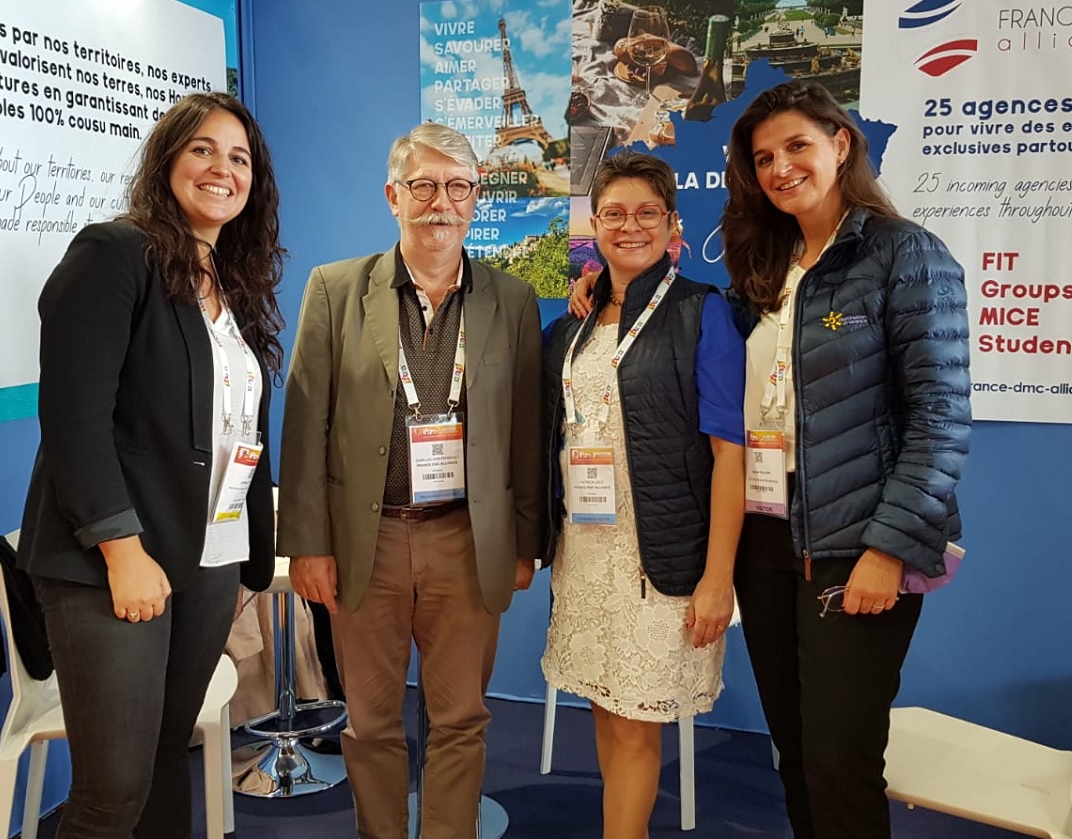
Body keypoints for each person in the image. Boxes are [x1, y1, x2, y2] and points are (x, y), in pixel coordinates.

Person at [17, 91, 284, 838]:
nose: (221, 169)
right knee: (112, 793)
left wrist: (244, 565)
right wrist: (120, 547)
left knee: (171, 753)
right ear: (167, 158)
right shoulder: (113, 254)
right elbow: (74, 418)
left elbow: (238, 435)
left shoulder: (232, 287)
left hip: (204, 561)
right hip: (111, 562)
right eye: (202, 149)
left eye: (239, 158)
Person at [278, 121, 543, 839]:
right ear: (392, 196)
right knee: (370, 722)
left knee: (461, 718)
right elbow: (305, 423)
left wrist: (525, 542)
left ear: (476, 198)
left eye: (457, 187)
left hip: (467, 537)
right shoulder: (334, 289)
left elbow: (525, 429)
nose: (440, 203)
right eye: (423, 186)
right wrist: (306, 544)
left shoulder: (511, 300)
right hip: (367, 540)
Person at [723, 79, 971, 838]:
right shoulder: (767, 267)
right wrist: (602, 295)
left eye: (797, 145)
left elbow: (941, 419)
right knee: (795, 751)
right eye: (764, 157)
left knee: (841, 758)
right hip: (767, 540)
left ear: (842, 143)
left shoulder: (906, 254)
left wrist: (888, 549)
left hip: (854, 545)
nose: (780, 168)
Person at [545, 150, 745, 838]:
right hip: (586, 555)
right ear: (594, 226)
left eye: (646, 212)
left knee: (636, 727)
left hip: (661, 562)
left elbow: (729, 455)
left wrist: (719, 577)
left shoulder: (701, 313)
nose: (630, 226)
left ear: (672, 223)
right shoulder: (572, 324)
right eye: (615, 213)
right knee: (607, 711)